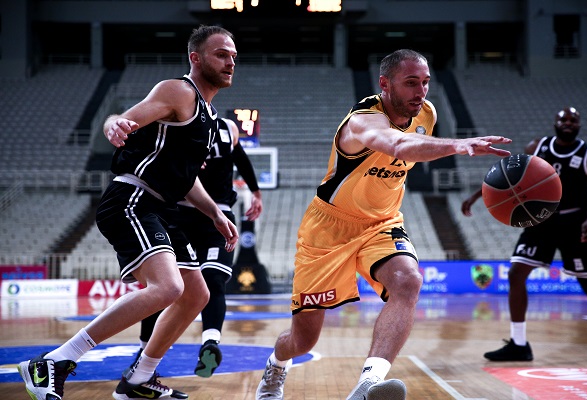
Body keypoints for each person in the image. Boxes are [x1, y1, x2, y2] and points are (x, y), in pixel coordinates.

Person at [255, 49, 512, 400]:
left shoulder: (427, 114)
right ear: (385, 84)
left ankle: (368, 383)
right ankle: (276, 365)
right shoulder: (361, 121)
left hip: (382, 223)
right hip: (328, 228)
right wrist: (456, 144)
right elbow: (398, 144)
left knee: (408, 281)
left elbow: (413, 140)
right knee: (303, 340)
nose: (421, 92)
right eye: (411, 83)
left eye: (425, 82)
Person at [17, 25, 240, 400]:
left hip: (162, 208)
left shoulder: (210, 117)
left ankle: (139, 378)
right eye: (221, 54)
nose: (230, 61)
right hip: (132, 198)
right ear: (195, 58)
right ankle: (54, 362)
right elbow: (121, 118)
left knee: (195, 295)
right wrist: (114, 125)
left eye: (233, 55)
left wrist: (215, 214)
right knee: (168, 287)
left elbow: (185, 180)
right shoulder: (179, 91)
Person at [461, 106, 587, 362]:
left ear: (579, 125)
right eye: (563, 119)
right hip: (541, 221)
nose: (568, 123)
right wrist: (476, 196)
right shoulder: (537, 147)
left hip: (574, 223)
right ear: (555, 123)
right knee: (516, 273)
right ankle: (519, 343)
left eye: (573, 120)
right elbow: (509, 177)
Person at [128, 116, 263, 379]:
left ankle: (149, 354)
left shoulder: (225, 128)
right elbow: (239, 158)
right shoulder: (190, 129)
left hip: (199, 216)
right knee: (191, 283)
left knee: (173, 285)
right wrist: (255, 192)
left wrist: (256, 191)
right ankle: (207, 341)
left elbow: (239, 157)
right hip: (194, 214)